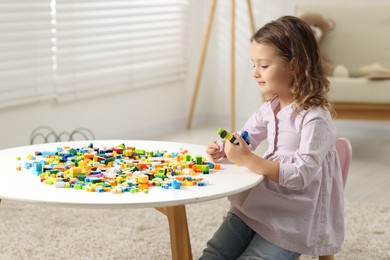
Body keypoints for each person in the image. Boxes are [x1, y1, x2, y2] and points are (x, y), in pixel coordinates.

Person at [200, 15, 344, 260]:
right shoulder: (269, 108)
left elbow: (300, 175)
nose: (255, 73)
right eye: (253, 65)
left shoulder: (314, 119)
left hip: (296, 215)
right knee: (214, 253)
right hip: (261, 203)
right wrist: (225, 150)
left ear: (294, 66)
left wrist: (247, 159)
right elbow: (244, 141)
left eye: (264, 65)